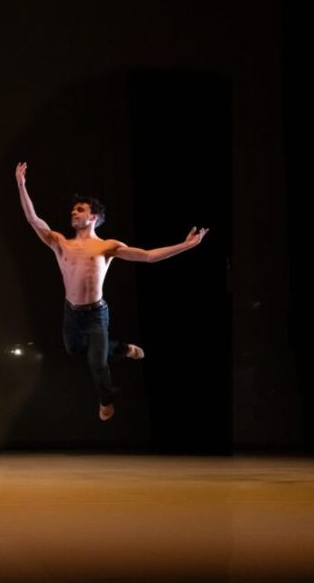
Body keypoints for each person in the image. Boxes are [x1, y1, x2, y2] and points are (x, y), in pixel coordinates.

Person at [14, 162, 208, 420]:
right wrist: (21, 184)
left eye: (80, 209)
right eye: (73, 209)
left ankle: (106, 400)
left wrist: (185, 245)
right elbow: (33, 219)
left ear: (93, 217)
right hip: (71, 313)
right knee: (74, 349)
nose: (73, 212)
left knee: (97, 362)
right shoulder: (60, 243)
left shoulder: (107, 247)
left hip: (96, 315)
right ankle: (123, 349)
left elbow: (148, 256)